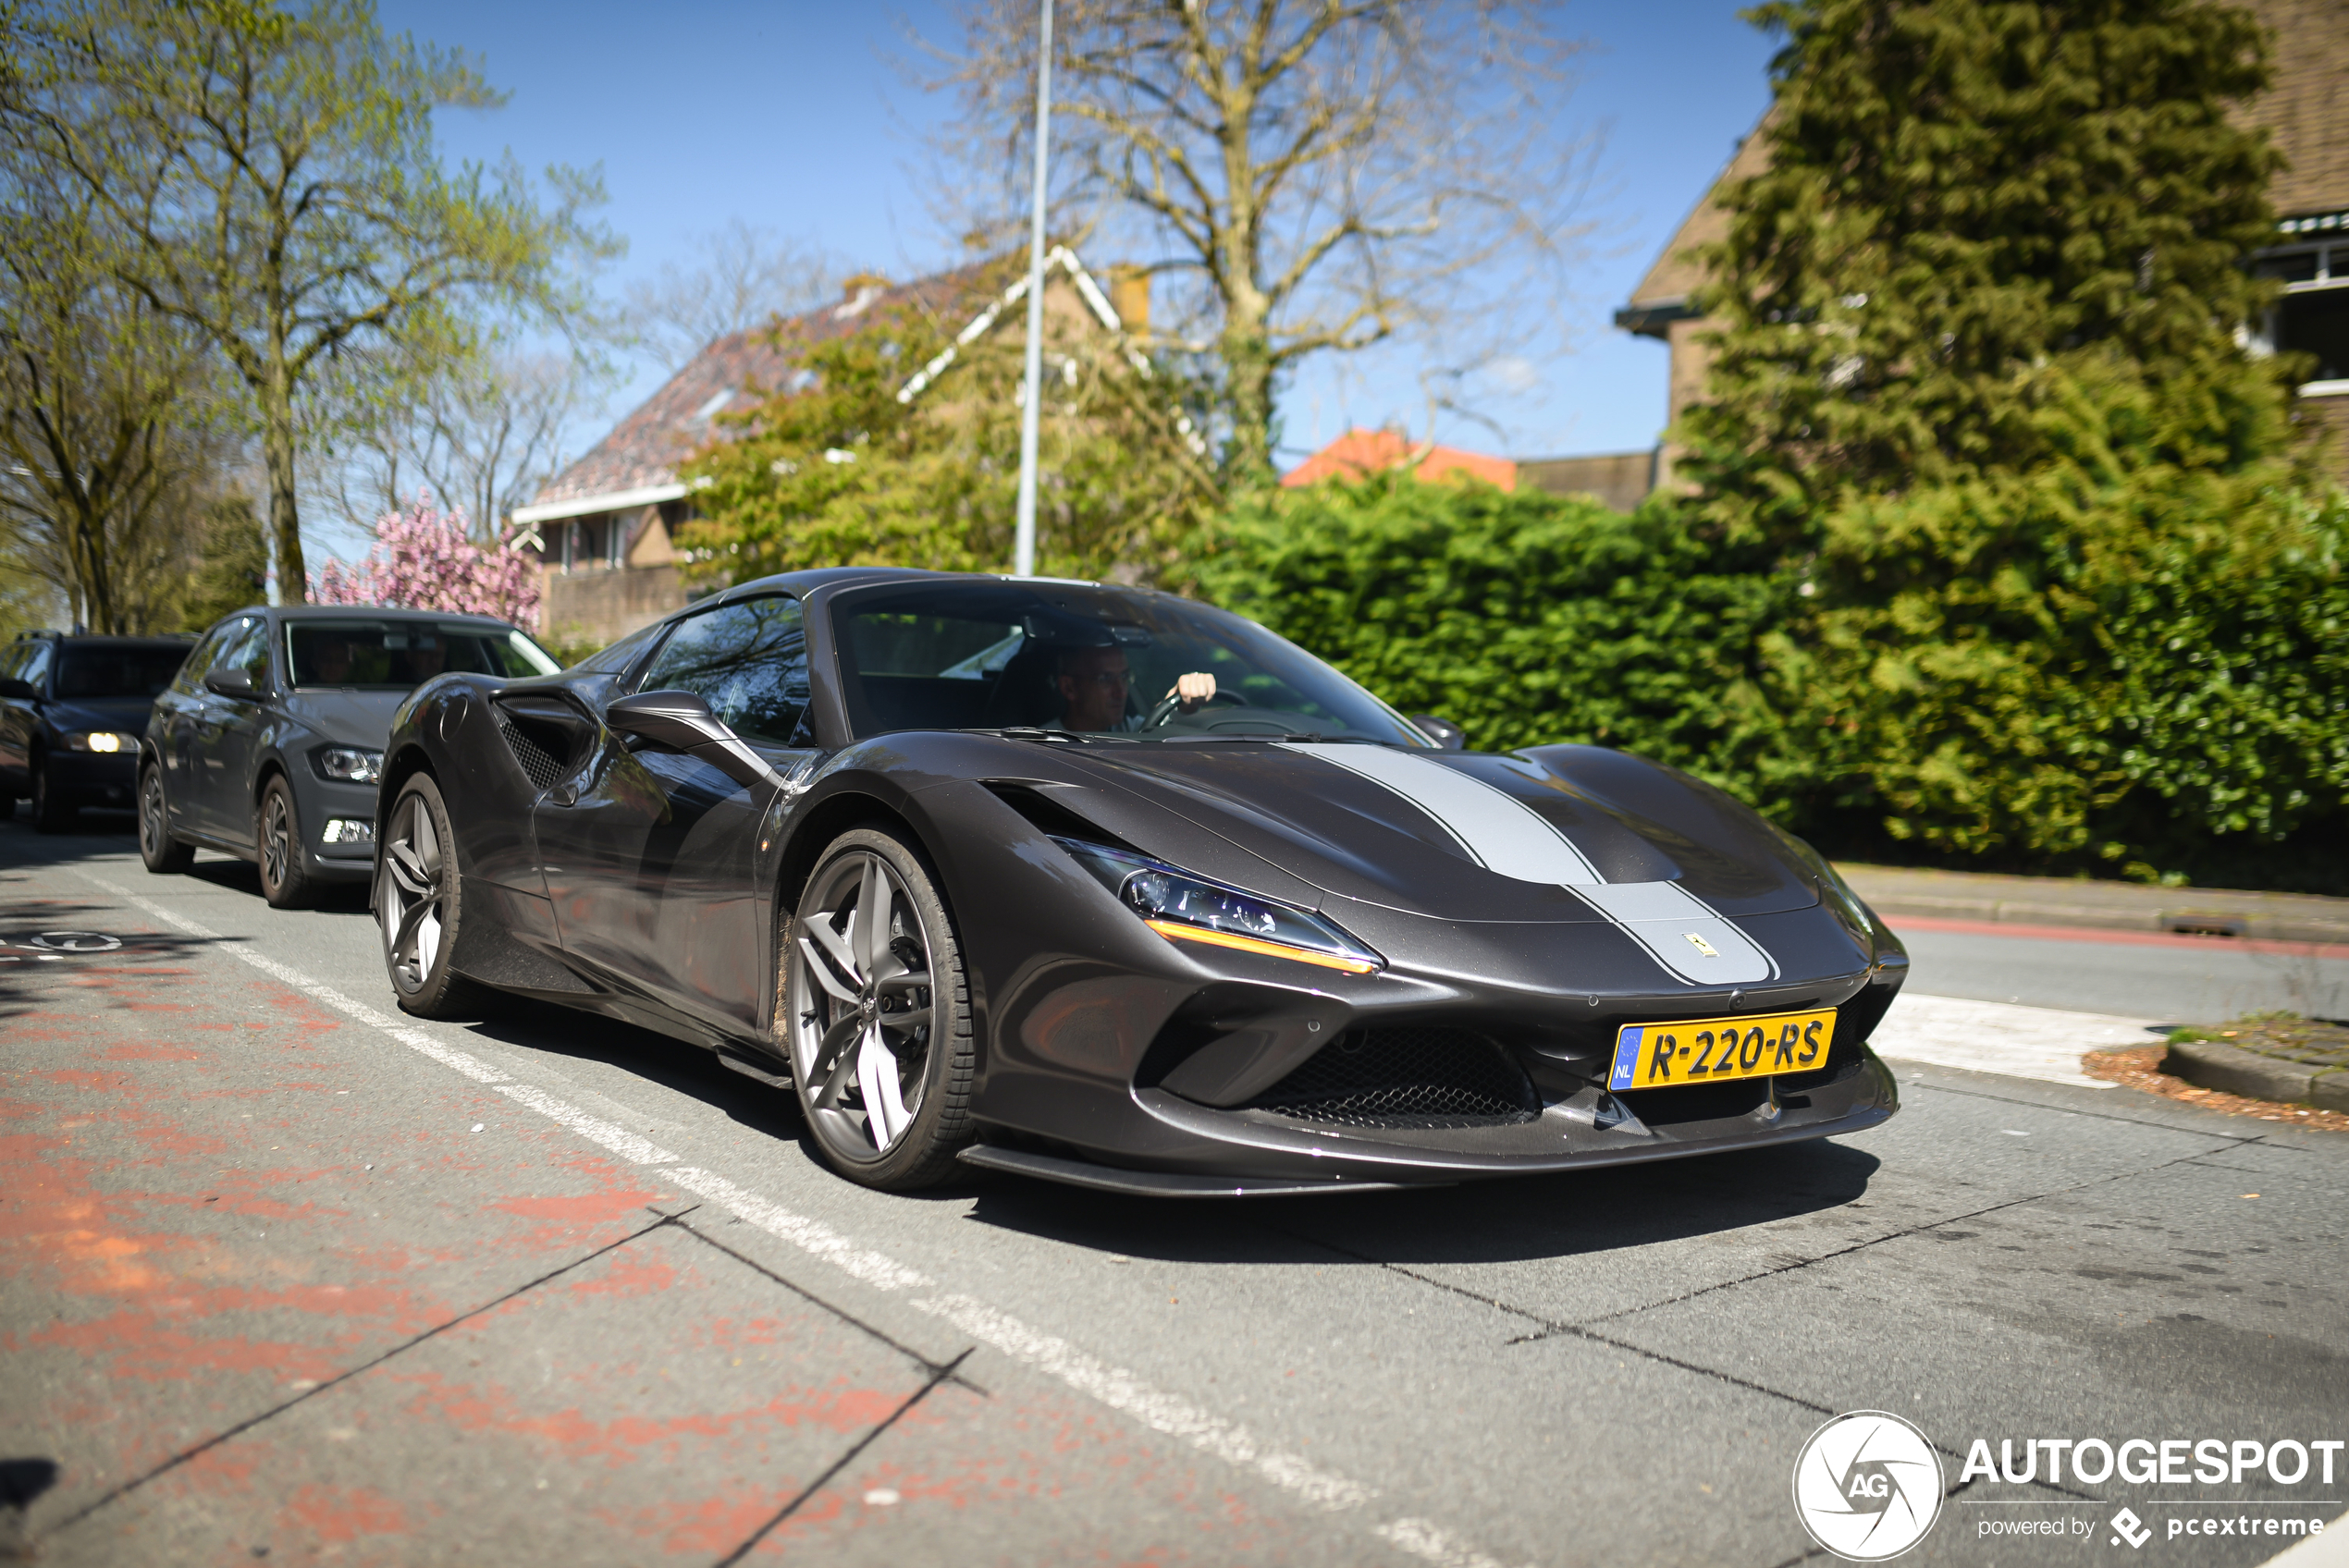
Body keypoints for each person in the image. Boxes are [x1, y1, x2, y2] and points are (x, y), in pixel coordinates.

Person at [1053, 645, 1216, 732]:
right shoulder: (1040, 744)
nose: (1122, 692)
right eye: (1106, 679)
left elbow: (1161, 729)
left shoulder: (1130, 731)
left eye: (1124, 677)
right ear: (1069, 688)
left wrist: (1183, 705)